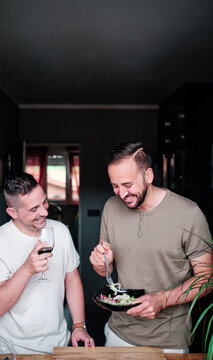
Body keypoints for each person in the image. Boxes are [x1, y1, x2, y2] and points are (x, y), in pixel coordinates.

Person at [89, 141, 212, 353]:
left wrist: (162, 299)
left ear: (148, 176)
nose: (121, 193)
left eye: (128, 185)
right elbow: (106, 269)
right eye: (115, 186)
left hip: (169, 341)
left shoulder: (189, 213)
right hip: (118, 333)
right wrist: (101, 263)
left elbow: (207, 279)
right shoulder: (111, 207)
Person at [0, 172, 95, 354]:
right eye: (34, 209)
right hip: (11, 349)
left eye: (44, 202)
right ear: (13, 213)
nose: (44, 211)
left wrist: (79, 325)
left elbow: (72, 280)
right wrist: (26, 270)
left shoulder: (61, 231)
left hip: (59, 343)